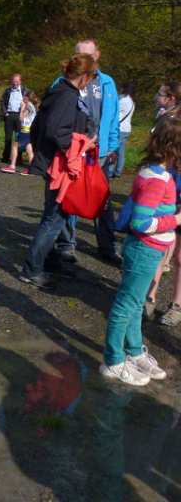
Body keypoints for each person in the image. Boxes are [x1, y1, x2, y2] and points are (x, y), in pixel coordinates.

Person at [100, 116, 181, 386]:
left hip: (149, 250)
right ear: (173, 148)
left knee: (135, 303)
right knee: (126, 305)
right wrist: (176, 220)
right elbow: (141, 223)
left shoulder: (156, 172)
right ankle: (113, 360)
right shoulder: (158, 179)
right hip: (144, 249)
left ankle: (134, 352)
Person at [19, 53, 98, 289]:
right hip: (59, 166)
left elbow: (38, 126)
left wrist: (41, 152)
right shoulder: (67, 96)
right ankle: (31, 269)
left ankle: (49, 261)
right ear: (84, 77)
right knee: (54, 218)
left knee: (56, 215)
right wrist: (81, 145)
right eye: (91, 78)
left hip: (54, 162)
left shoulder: (59, 91)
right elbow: (56, 130)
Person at [54, 39, 121, 265]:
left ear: (97, 55)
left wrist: (113, 146)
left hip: (100, 152)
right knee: (70, 197)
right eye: (78, 55)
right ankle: (66, 245)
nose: (83, 59)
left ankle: (108, 246)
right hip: (74, 151)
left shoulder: (107, 82)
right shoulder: (62, 81)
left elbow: (113, 117)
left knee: (102, 199)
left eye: (88, 55)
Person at [2, 90, 38, 174]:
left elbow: (21, 118)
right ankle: (32, 169)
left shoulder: (28, 106)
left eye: (24, 96)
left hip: (24, 130)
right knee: (29, 149)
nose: (22, 98)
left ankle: (12, 166)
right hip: (28, 130)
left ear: (28, 98)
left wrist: (22, 108)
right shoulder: (32, 106)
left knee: (14, 146)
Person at [0, 73, 27, 163]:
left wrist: (24, 114)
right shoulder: (8, 90)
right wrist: (5, 113)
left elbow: (28, 103)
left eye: (17, 81)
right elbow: (2, 102)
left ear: (20, 81)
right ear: (11, 81)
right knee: (8, 138)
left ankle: (18, 158)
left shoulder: (25, 91)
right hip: (9, 115)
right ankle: (5, 157)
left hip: (19, 116)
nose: (15, 83)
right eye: (13, 81)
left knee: (19, 137)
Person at [114, 82, 135, 178]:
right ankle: (118, 171)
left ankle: (110, 171)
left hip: (120, 128)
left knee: (113, 150)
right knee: (121, 151)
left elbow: (114, 110)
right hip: (127, 129)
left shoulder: (123, 100)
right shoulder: (132, 101)